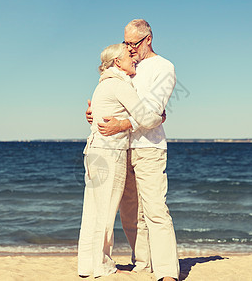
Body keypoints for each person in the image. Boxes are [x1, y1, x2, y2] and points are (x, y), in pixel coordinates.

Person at [86, 19, 180, 281]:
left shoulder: (164, 68)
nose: (128, 48)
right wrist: (97, 115)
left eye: (133, 43)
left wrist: (121, 124)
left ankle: (167, 271)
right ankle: (143, 262)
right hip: (119, 148)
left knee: (155, 210)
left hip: (148, 147)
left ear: (148, 39)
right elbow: (116, 101)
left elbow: (152, 111)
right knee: (129, 212)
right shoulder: (129, 65)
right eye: (125, 42)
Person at [77, 43, 163, 278]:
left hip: (94, 152)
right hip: (109, 153)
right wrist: (160, 116)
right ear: (117, 62)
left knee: (93, 211)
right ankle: (101, 265)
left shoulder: (103, 85)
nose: (133, 58)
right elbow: (145, 117)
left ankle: (87, 264)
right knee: (105, 212)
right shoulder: (118, 84)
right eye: (128, 56)